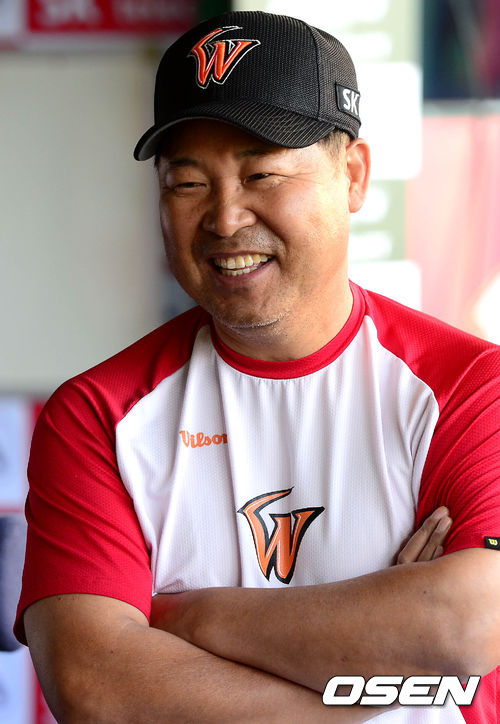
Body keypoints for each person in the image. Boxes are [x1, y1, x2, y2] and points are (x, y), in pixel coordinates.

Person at [15, 10, 500, 723]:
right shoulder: (98, 416)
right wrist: (382, 680)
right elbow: (96, 688)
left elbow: (467, 624)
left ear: (354, 175)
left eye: (262, 173)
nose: (224, 218)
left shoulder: (471, 388)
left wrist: (185, 617)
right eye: (187, 184)